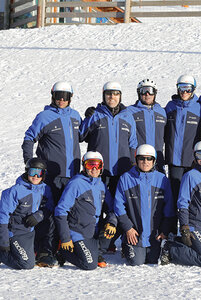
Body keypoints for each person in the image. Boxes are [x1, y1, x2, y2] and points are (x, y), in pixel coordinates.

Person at [22, 81, 81, 267]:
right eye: (58, 96)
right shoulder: (44, 116)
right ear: (52, 96)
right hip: (51, 175)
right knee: (49, 212)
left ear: (71, 97)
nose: (61, 100)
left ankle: (62, 248)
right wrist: (29, 163)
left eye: (65, 96)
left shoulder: (75, 116)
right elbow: (29, 138)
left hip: (72, 175)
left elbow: (86, 135)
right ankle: (44, 250)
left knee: (67, 213)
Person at [114, 144, 175, 266]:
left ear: (154, 161)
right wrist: (128, 228)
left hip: (155, 235)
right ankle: (126, 244)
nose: (145, 162)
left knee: (153, 260)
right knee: (137, 261)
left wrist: (164, 230)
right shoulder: (126, 178)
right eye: (142, 158)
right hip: (136, 234)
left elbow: (169, 208)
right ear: (136, 159)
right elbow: (118, 205)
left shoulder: (162, 179)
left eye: (149, 158)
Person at [54, 151, 116, 270]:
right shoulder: (76, 183)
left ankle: (97, 252)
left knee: (115, 225)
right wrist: (66, 238)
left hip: (94, 231)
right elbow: (60, 211)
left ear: (102, 167)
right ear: (84, 166)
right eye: (90, 165)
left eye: (97, 165)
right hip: (78, 231)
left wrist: (112, 223)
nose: (94, 169)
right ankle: (64, 252)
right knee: (89, 265)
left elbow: (111, 208)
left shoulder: (101, 185)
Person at [80, 81, 138, 196]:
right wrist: (87, 118)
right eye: (108, 94)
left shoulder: (127, 116)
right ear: (104, 96)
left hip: (122, 170)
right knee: (98, 204)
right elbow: (81, 136)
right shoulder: (95, 115)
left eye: (116, 94)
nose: (112, 97)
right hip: (98, 170)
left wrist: (132, 166)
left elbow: (133, 144)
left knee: (119, 204)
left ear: (120, 96)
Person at [0, 158, 53, 270]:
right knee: (27, 264)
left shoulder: (45, 189)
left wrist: (39, 215)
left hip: (29, 232)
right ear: (27, 171)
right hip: (14, 232)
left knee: (30, 259)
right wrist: (4, 241)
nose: (35, 176)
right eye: (32, 172)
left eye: (39, 173)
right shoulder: (15, 191)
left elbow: (50, 206)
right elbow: (3, 216)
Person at [164, 75, 201, 206]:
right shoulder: (170, 107)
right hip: (174, 160)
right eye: (181, 88)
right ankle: (172, 226)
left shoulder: (199, 107)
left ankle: (191, 225)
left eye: (188, 89)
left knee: (190, 196)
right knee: (174, 196)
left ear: (193, 89)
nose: (184, 92)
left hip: (191, 160)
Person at [130, 79, 167, 173]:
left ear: (155, 93)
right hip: (139, 160)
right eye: (143, 91)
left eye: (150, 91)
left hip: (157, 160)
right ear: (139, 93)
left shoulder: (162, 112)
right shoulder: (130, 111)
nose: (147, 94)